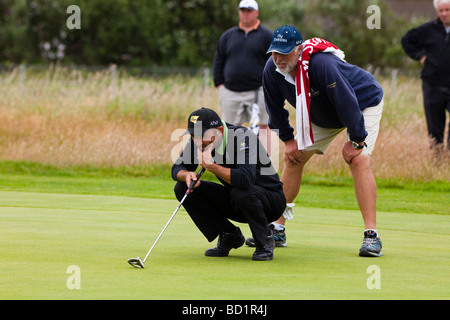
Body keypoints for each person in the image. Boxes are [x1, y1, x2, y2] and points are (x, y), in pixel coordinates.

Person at [251, 25, 384, 257]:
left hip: (363, 103)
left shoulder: (322, 65)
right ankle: (277, 227)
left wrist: (356, 140)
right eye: (274, 53)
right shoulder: (271, 70)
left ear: (299, 49)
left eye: (284, 52)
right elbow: (274, 109)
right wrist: (288, 140)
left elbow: (347, 103)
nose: (278, 59)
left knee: (359, 161)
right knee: (293, 159)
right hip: (322, 114)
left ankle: (371, 236)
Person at [172, 107, 286, 261]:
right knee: (183, 187)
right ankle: (229, 235)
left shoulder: (243, 137)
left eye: (200, 136)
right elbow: (177, 169)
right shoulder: (200, 141)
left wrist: (212, 166)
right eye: (193, 135)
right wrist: (186, 175)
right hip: (239, 200)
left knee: (241, 191)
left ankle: (264, 240)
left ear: (219, 131)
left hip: (270, 201)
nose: (196, 140)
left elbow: (245, 179)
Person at [213, 0, 273, 151]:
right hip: (230, 92)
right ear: (239, 12)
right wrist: (220, 86)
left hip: (258, 91)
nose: (245, 13)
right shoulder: (228, 36)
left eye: (249, 10)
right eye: (243, 10)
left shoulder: (267, 35)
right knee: (228, 129)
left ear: (256, 13)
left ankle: (264, 167)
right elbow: (219, 60)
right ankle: (231, 167)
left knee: (262, 128)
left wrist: (270, 87)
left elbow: (274, 63)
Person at [401, 0, 450, 152]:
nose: (444, 14)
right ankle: (437, 158)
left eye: (447, 10)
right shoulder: (428, 29)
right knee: (435, 126)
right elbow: (406, 40)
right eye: (441, 10)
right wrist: (420, 56)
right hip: (432, 84)